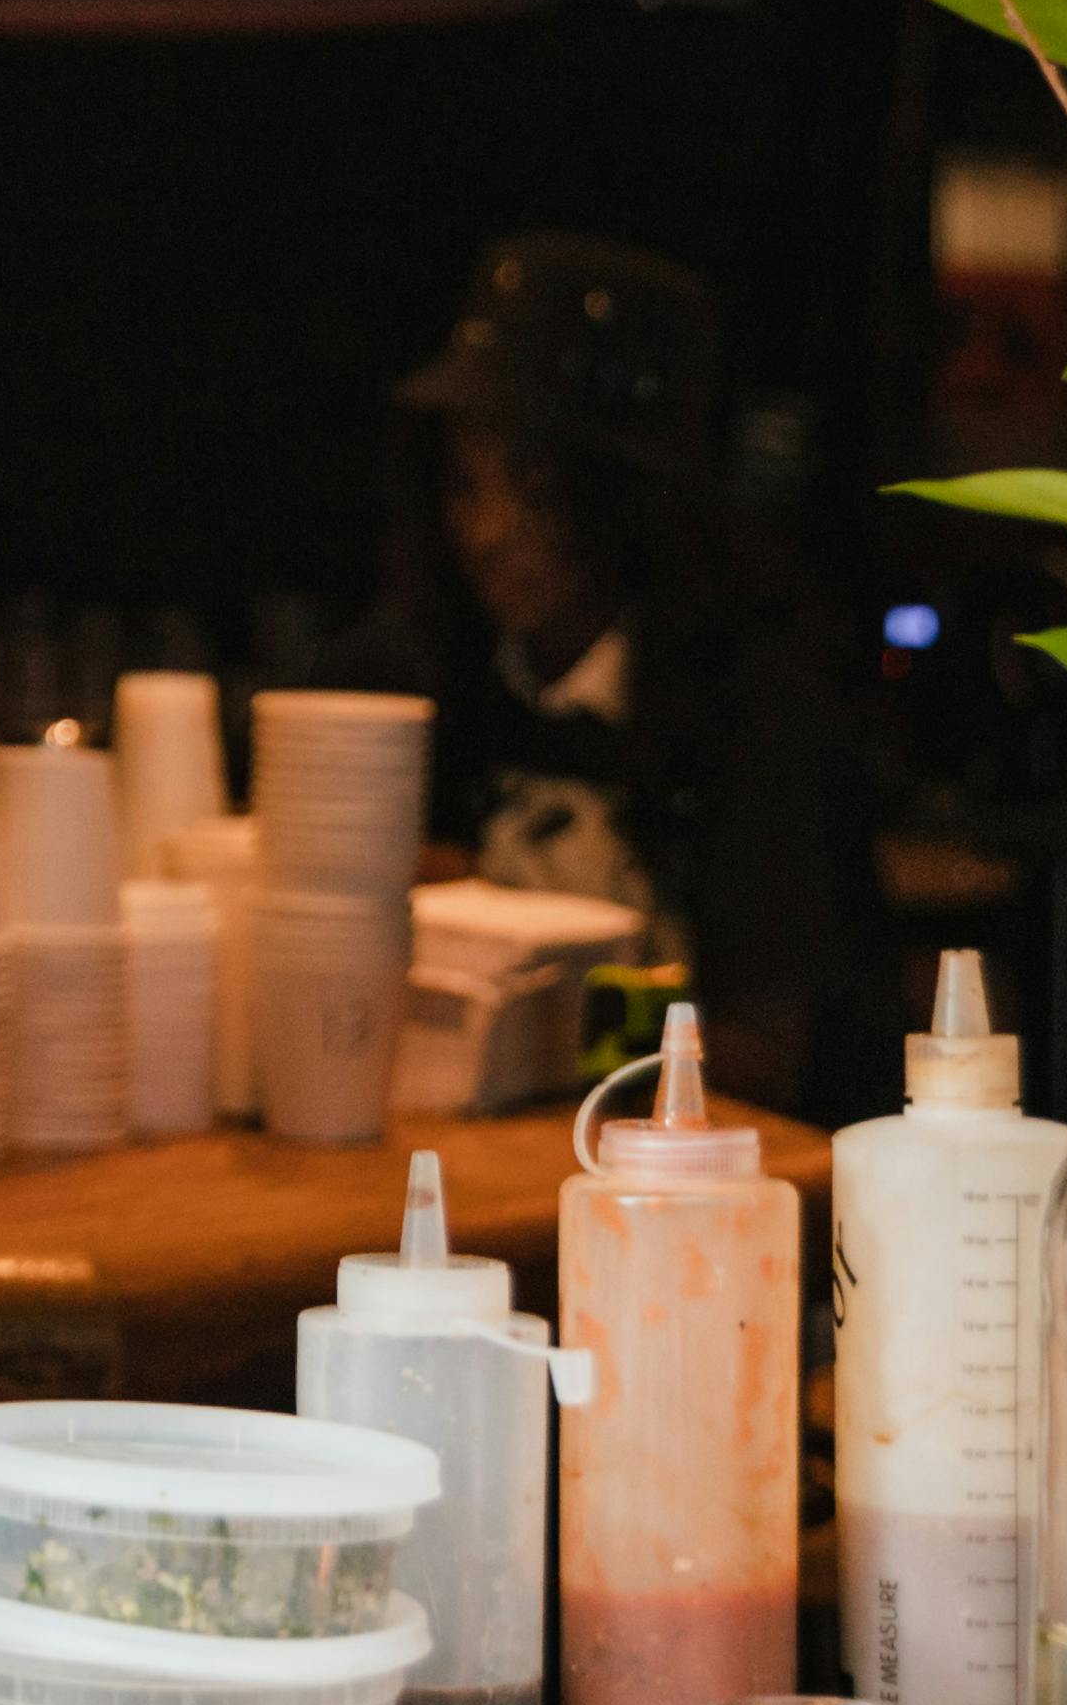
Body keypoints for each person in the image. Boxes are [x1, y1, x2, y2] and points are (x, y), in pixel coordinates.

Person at [336, 232, 868, 1108]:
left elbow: (770, 1051)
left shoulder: (753, 711)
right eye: (467, 487)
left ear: (629, 501)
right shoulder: (435, 676)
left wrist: (535, 1023)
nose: (489, 530)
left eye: (536, 492)